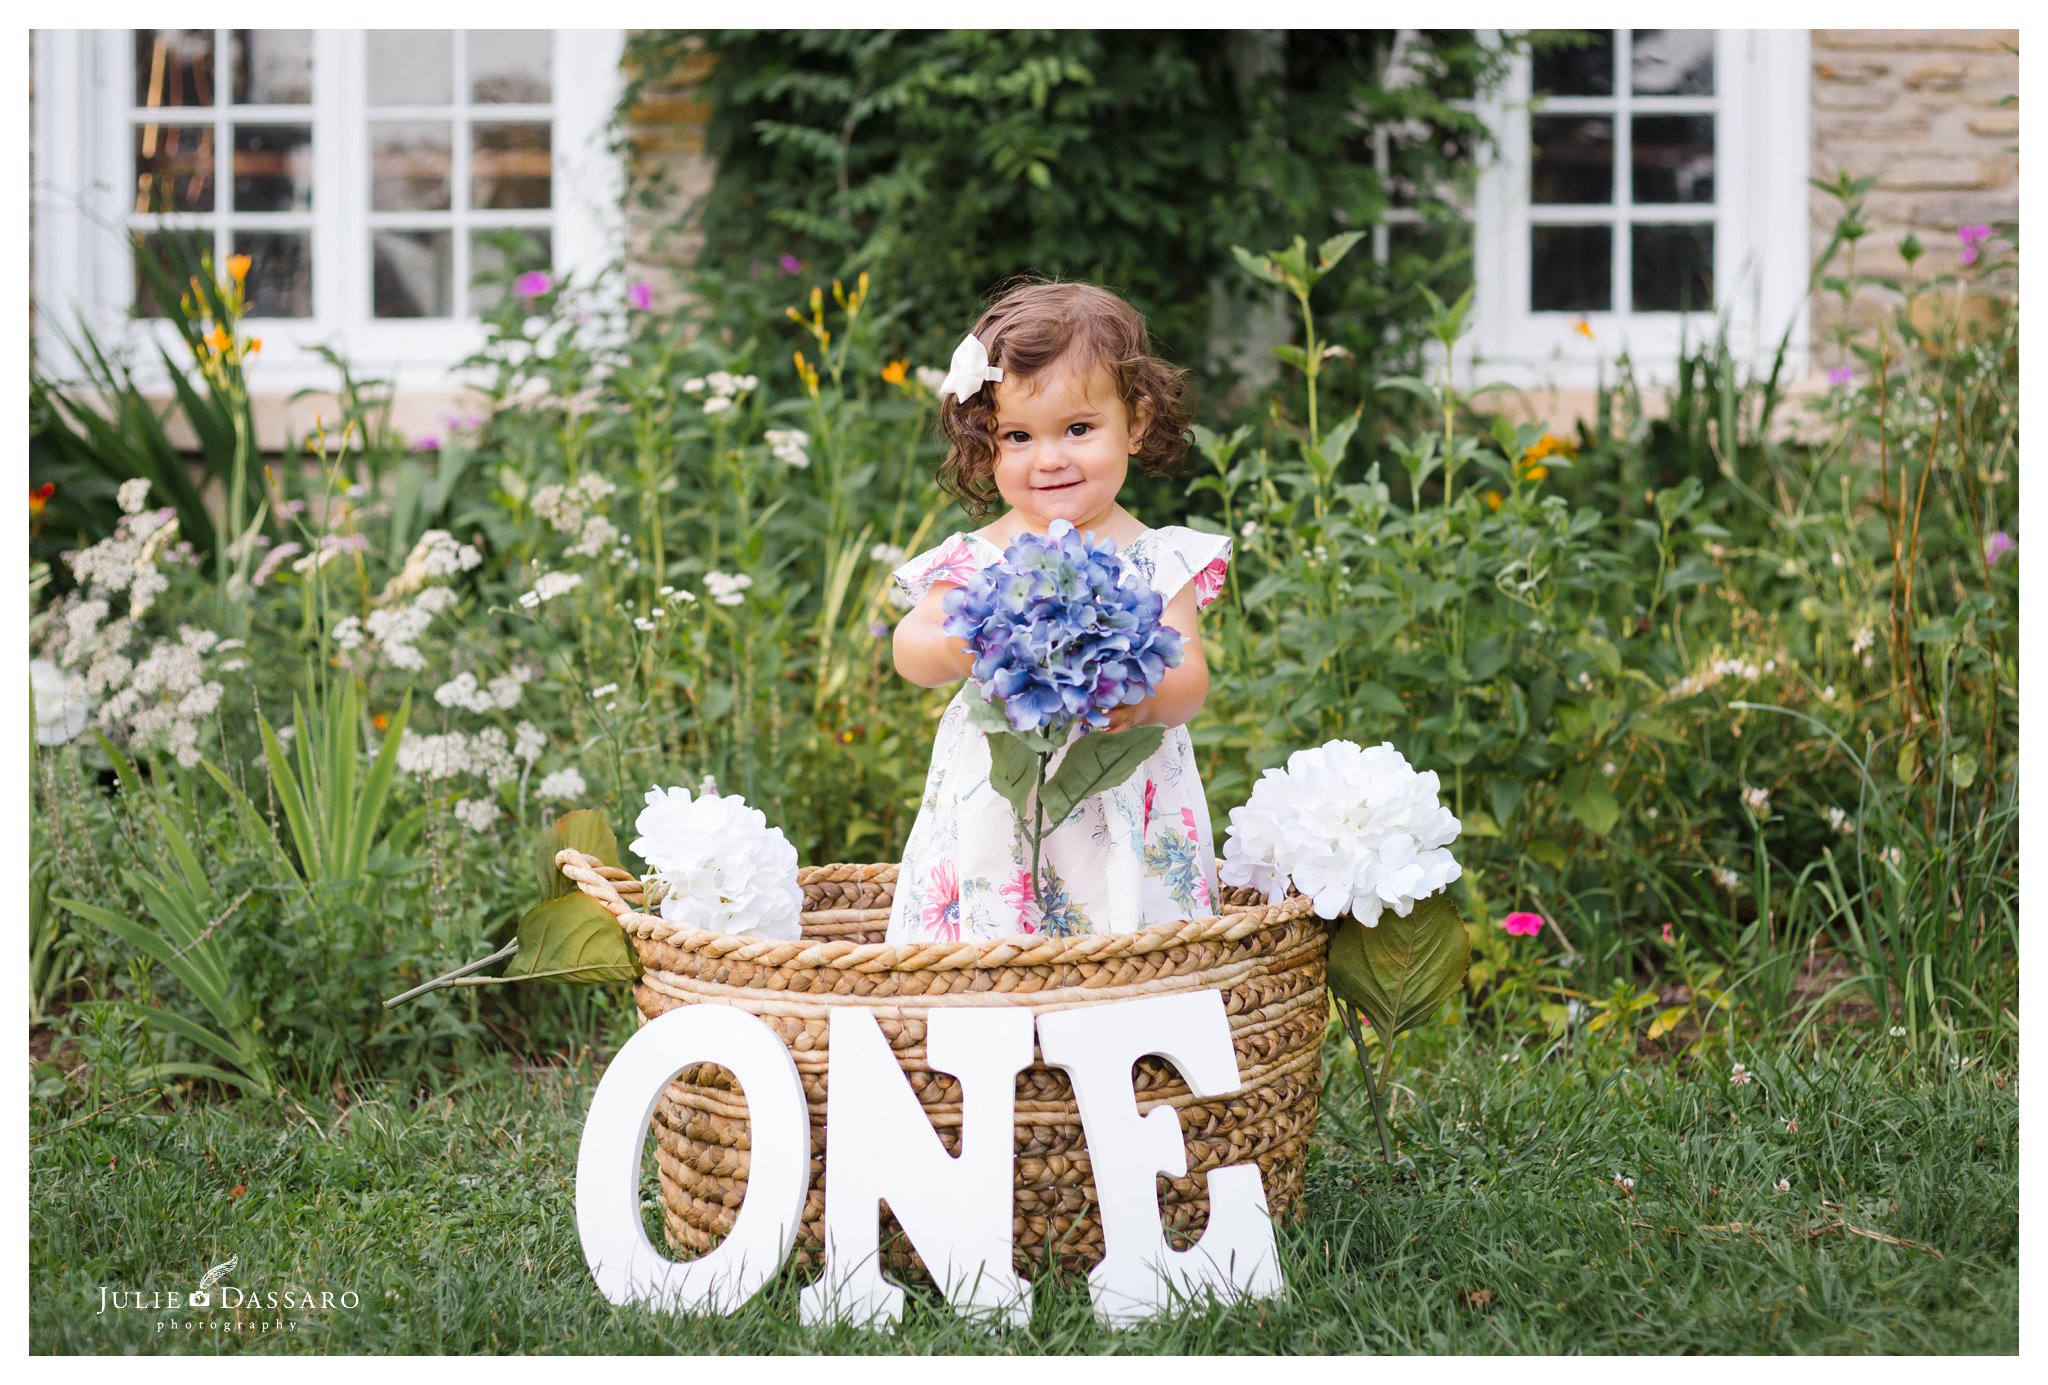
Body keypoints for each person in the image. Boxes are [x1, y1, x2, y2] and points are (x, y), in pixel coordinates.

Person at [885, 280, 1232, 942]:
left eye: (1078, 428)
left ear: (1135, 422)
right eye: (1017, 435)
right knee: (993, 938)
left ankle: (1130, 1020)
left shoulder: (1158, 559)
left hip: (1122, 794)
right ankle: (992, 1026)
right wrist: (961, 644)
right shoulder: (980, 556)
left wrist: (1146, 699)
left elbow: (1189, 676)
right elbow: (911, 642)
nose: (1048, 459)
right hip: (998, 803)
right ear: (984, 444)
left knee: (1121, 935)